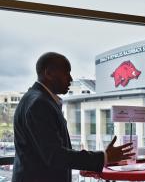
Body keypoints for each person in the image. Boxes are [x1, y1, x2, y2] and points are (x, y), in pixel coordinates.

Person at [12, 52, 134, 182]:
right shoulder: (39, 103)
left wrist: (91, 161)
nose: (70, 79)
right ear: (49, 73)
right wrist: (104, 157)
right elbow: (55, 156)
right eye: (66, 73)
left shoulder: (34, 99)